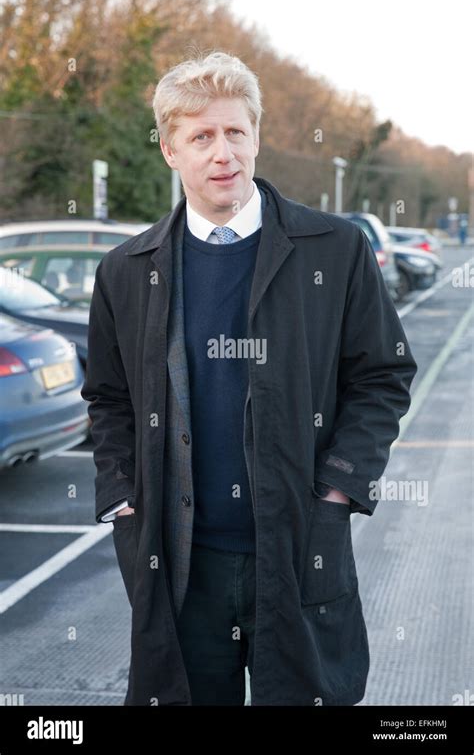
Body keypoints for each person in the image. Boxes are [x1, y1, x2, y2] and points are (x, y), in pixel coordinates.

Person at [81, 51, 417, 706]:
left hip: (296, 551)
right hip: (181, 565)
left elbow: (382, 375)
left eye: (235, 132)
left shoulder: (333, 249)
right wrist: (121, 493)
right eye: (200, 136)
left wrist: (341, 490)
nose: (222, 152)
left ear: (257, 137)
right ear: (170, 152)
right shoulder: (126, 270)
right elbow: (108, 397)